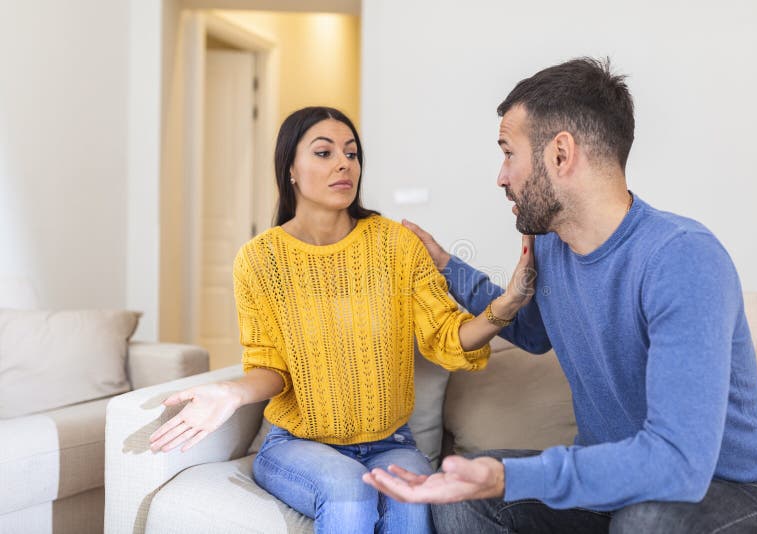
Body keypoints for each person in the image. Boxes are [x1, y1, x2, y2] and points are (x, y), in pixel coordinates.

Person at [362, 58, 757, 533]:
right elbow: (533, 334)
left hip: (731, 494)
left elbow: (679, 465)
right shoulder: (552, 244)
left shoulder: (681, 259)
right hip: (614, 488)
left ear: (561, 155)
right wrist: (447, 266)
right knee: (464, 498)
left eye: (509, 153)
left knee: (646, 520)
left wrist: (508, 475)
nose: (501, 176)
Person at [148, 106, 536, 534]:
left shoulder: (394, 244)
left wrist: (509, 303)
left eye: (351, 154)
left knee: (411, 508)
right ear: (290, 169)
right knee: (349, 490)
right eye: (323, 152)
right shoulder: (260, 260)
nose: (343, 163)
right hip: (297, 445)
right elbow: (270, 367)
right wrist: (230, 393)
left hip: (391, 442)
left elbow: (445, 336)